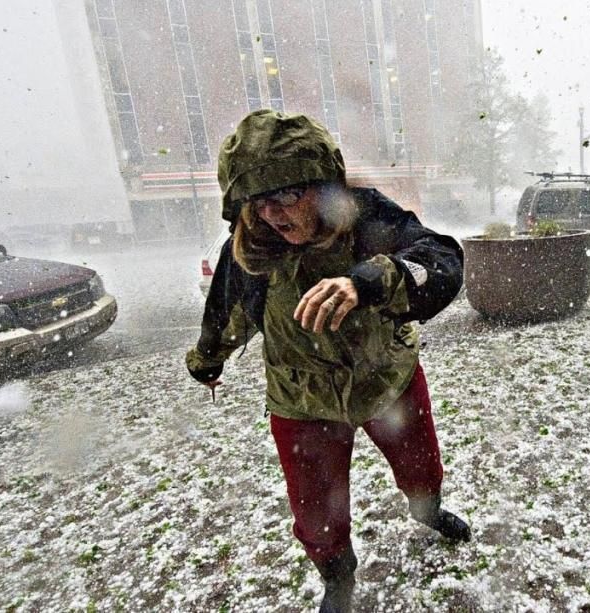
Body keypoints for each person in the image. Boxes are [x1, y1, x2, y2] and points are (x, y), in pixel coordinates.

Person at [185, 109, 470, 612]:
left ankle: (427, 510)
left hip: (387, 379)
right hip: (301, 400)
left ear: (321, 185)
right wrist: (207, 360)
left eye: (287, 195)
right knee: (315, 511)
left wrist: (371, 280)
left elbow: (441, 260)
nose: (273, 213)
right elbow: (226, 313)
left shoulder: (365, 216)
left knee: (421, 468)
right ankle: (338, 575)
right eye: (259, 200)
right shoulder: (249, 250)